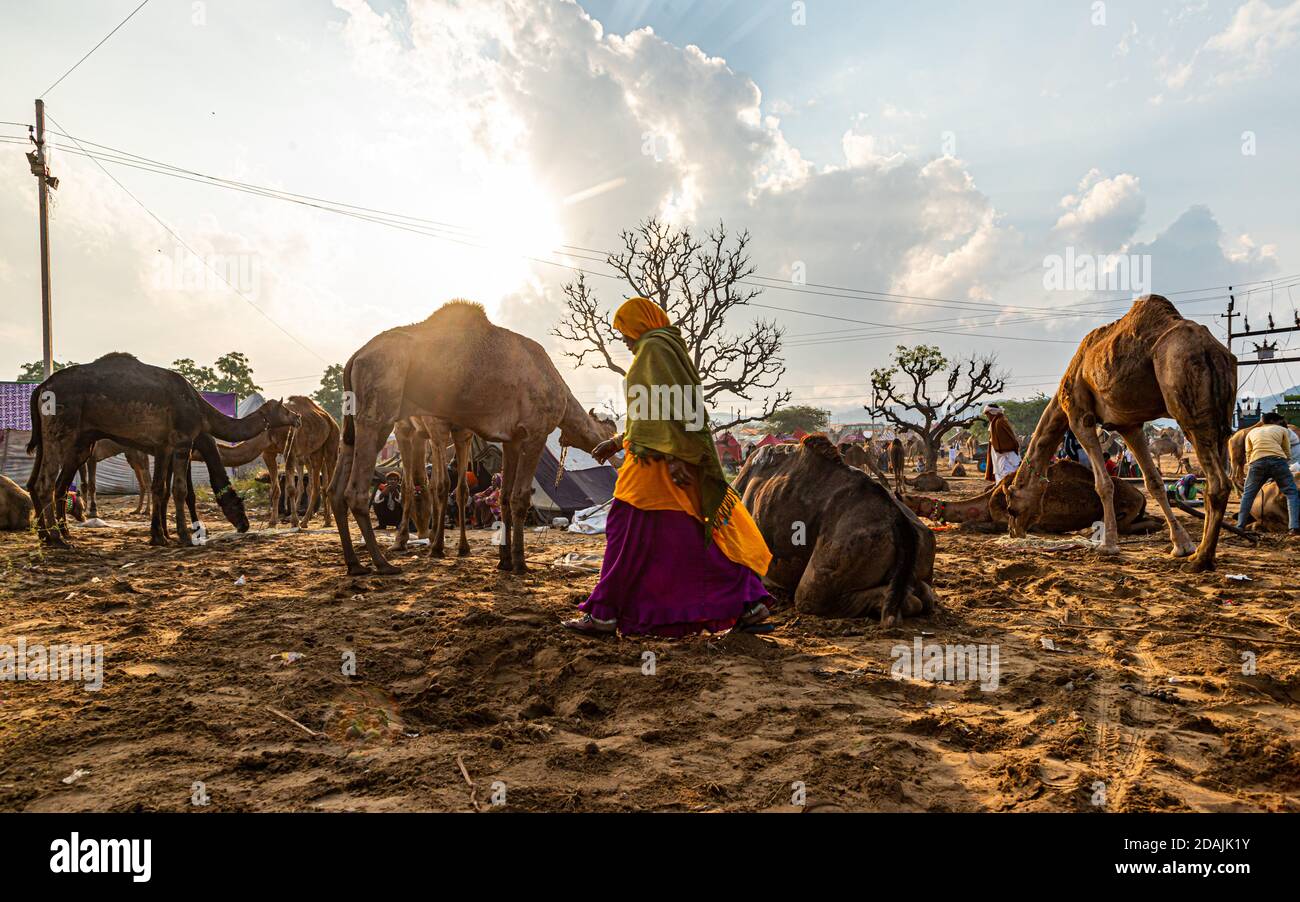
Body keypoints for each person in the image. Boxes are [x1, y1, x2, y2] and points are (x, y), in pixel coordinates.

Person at [563, 297, 773, 637]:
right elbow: (654, 409)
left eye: (626, 333)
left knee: (623, 532)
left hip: (655, 467)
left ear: (641, 324)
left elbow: (670, 405)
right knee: (683, 537)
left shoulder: (652, 349)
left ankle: (603, 614)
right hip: (662, 459)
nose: (626, 342)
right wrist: (617, 441)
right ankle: (748, 601)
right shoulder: (668, 346)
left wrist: (674, 456)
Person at [1238, 412, 1300, 535]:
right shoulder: (1282, 430)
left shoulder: (1252, 432)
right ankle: (1293, 527)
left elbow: (1248, 452)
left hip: (1256, 463)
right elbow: (1287, 450)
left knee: (1248, 495)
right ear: (1273, 421)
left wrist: (1253, 464)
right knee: (1291, 493)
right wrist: (1284, 464)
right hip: (1278, 462)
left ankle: (1240, 525)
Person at [983, 404, 1021, 481]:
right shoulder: (996, 422)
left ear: (992, 412)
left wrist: (999, 450)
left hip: (1006, 459)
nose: (988, 417)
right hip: (999, 459)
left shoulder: (999, 422)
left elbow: (1007, 444)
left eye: (988, 414)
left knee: (1007, 479)